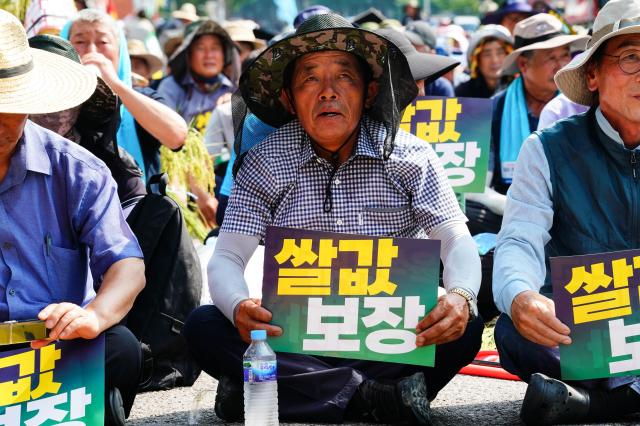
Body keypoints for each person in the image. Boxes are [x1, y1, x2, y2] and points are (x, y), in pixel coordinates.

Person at [183, 13, 483, 424]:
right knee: (204, 325)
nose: (328, 92)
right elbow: (227, 257)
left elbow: (457, 239)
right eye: (309, 79)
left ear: (368, 91)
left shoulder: (411, 157)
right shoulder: (266, 163)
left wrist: (460, 294)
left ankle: (282, 392)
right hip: (294, 338)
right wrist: (237, 306)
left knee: (463, 325)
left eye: (344, 78)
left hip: (387, 334)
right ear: (288, 98)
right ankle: (374, 398)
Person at [493, 0, 640, 423]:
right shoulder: (547, 149)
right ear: (592, 75)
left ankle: (602, 402)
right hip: (588, 324)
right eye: (630, 57)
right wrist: (521, 295)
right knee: (514, 329)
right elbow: (520, 238)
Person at [0, 10, 145, 426]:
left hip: (55, 345)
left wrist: (92, 316)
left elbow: (127, 265)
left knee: (120, 347)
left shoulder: (77, 169)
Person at [465, 13, 588, 235]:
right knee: (467, 213)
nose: (561, 66)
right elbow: (477, 184)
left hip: (574, 208)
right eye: (551, 58)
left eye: (565, 56)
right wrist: (516, 207)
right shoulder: (494, 109)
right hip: (509, 213)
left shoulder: (581, 103)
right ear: (523, 64)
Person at [63, 8, 187, 180]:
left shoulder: (141, 98)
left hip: (134, 205)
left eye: (103, 42)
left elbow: (177, 136)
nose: (92, 51)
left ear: (119, 51)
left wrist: (115, 85)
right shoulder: (54, 105)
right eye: (80, 41)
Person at [28, 34, 147, 211]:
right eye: (38, 90)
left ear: (82, 101)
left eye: (63, 90)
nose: (51, 105)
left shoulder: (112, 170)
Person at [455, 25, 513, 98]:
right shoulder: (462, 93)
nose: (495, 60)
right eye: (487, 54)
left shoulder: (520, 90)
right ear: (476, 60)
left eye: (500, 52)